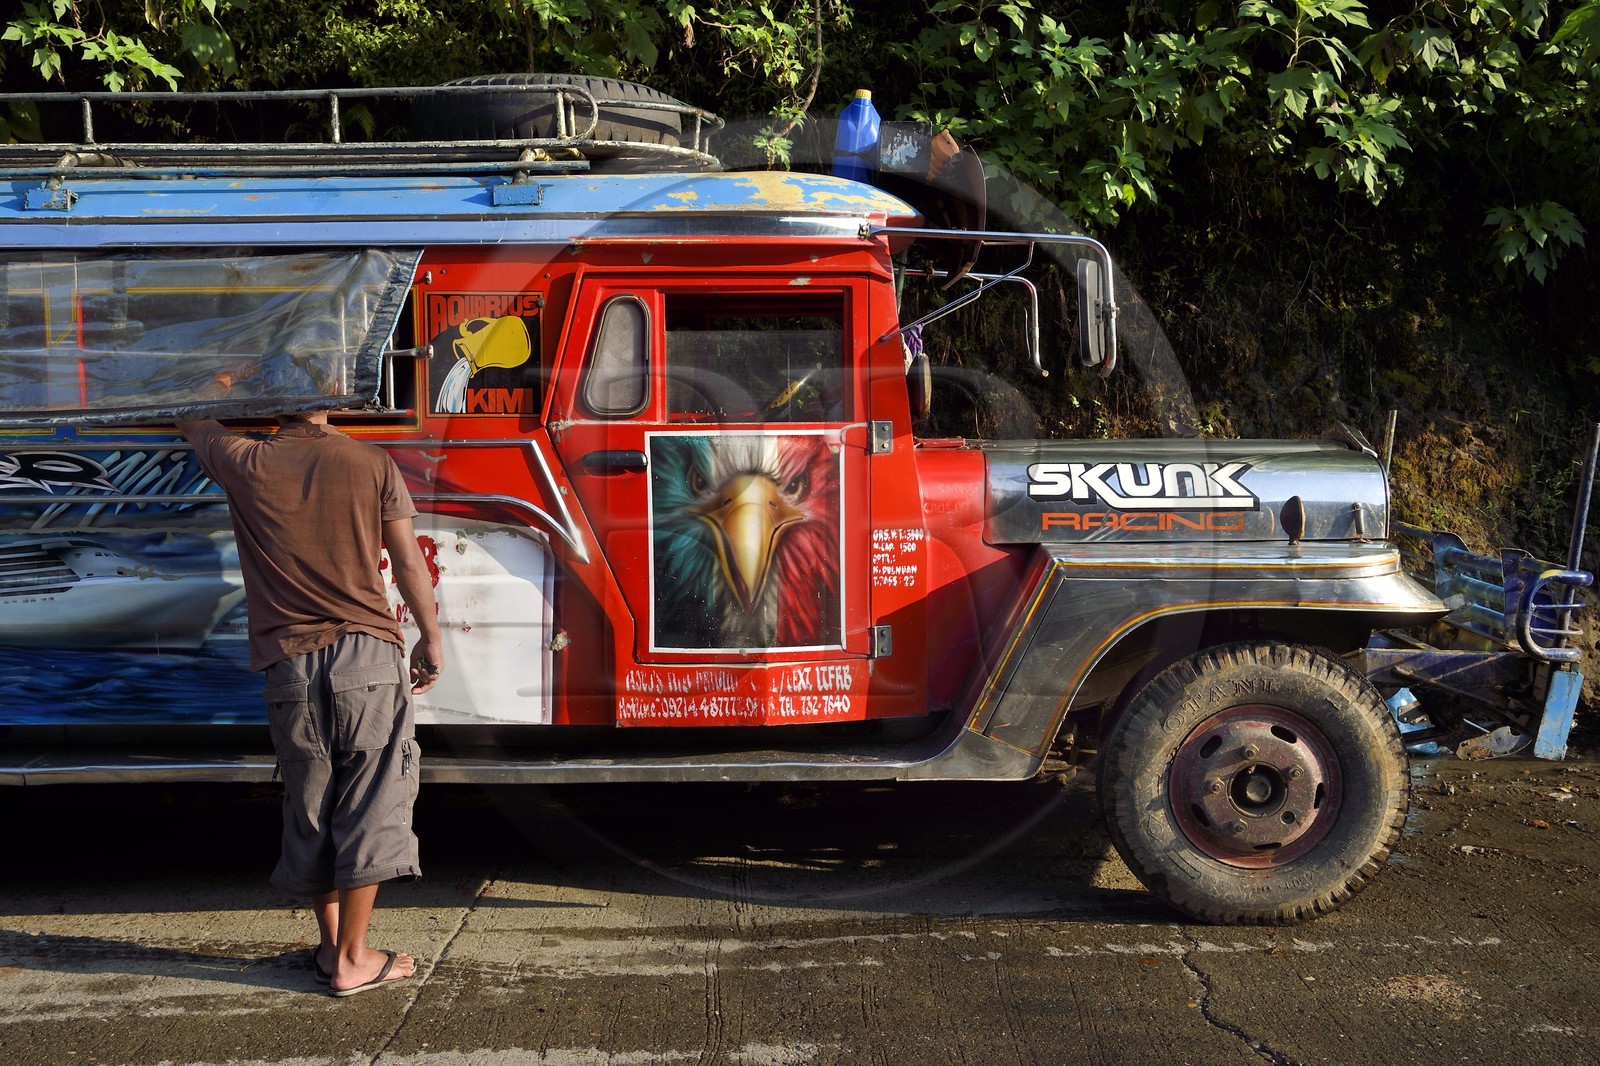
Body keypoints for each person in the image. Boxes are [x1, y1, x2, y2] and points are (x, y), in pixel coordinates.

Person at [178, 404, 444, 998]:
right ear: (334, 395)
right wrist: (430, 634)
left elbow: (190, 414)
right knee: (371, 801)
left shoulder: (243, 459)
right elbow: (406, 562)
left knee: (311, 803)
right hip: (367, 657)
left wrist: (228, 383)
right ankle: (354, 957)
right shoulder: (371, 462)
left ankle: (331, 949)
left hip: (290, 663)